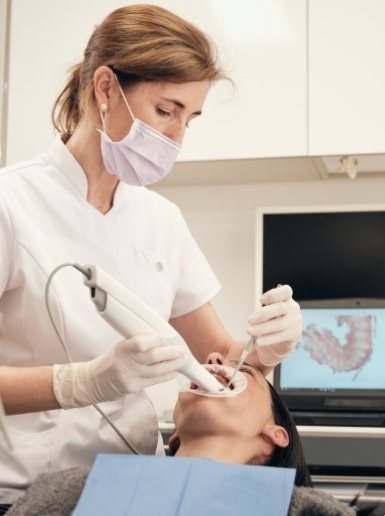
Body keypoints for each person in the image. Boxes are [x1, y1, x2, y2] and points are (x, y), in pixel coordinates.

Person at [0, 4, 302, 507]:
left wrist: (266, 350)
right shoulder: (11, 202)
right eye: (166, 111)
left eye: (191, 118)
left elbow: (220, 361)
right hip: (22, 493)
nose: (177, 138)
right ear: (104, 89)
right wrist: (79, 383)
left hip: (137, 490)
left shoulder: (161, 220)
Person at [5, 356, 379, 516]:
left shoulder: (304, 509)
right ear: (174, 438)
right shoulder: (74, 491)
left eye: (241, 370)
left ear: (275, 434)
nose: (213, 369)